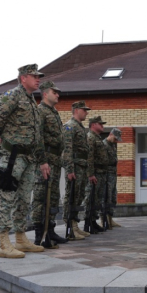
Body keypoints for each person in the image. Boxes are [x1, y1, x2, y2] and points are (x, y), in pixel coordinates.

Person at [0, 64, 50, 258]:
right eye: (34, 76)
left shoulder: (32, 101)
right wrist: (2, 136)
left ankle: (21, 238)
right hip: (13, 156)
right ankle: (3, 242)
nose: (38, 79)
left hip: (29, 158)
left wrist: (42, 160)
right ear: (23, 78)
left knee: (24, 199)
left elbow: (37, 134)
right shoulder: (12, 95)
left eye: (38, 76)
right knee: (6, 197)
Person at [30, 81, 68, 247]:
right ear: (45, 94)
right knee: (41, 196)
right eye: (55, 92)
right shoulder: (40, 111)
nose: (58, 95)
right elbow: (37, 138)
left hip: (55, 159)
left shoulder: (53, 112)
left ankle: (50, 230)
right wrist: (42, 161)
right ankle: (40, 235)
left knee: (52, 197)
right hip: (45, 159)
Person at [62, 101, 92, 240]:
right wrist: (69, 169)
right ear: (76, 110)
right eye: (84, 110)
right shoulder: (70, 126)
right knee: (72, 196)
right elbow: (67, 150)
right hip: (74, 166)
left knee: (79, 196)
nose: (86, 112)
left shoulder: (79, 127)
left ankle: (75, 225)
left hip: (81, 166)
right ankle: (70, 227)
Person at [82, 115, 110, 232]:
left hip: (101, 173)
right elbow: (89, 157)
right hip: (95, 173)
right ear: (93, 125)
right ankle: (88, 223)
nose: (103, 126)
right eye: (100, 124)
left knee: (97, 199)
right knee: (91, 198)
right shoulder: (90, 138)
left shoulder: (97, 138)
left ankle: (93, 221)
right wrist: (90, 174)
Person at [104, 128, 122, 228]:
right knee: (106, 197)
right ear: (110, 134)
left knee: (113, 196)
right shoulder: (104, 145)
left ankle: (110, 218)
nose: (116, 141)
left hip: (112, 174)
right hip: (106, 175)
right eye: (115, 138)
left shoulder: (112, 146)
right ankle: (104, 219)